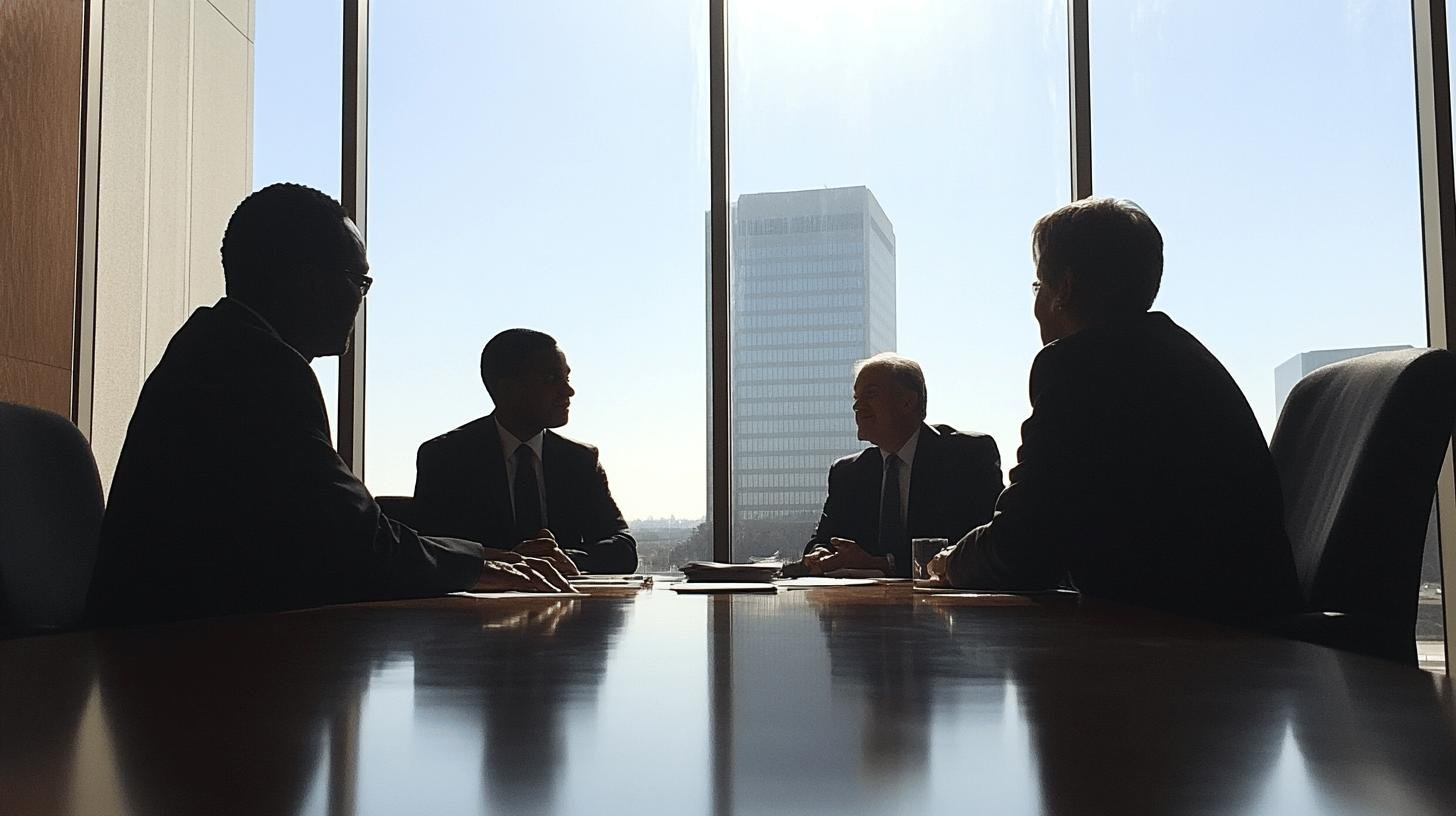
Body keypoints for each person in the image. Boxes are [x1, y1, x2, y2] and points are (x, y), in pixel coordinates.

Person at [86, 183, 572, 626]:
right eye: (357, 280)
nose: (360, 299)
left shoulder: (216, 346)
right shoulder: (260, 368)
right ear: (305, 279)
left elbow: (325, 527)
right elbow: (351, 544)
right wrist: (481, 566)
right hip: (174, 669)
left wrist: (485, 557)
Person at [927, 197, 1299, 625]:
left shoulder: (1079, 366)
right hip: (1243, 629)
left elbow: (1025, 543)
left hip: (1184, 647)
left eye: (1037, 287)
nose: (1036, 303)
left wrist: (950, 563)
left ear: (1063, 288)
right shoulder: (1180, 355)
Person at [414, 329, 638, 574]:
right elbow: (431, 552)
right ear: (508, 389)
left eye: (567, 378)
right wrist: (508, 562)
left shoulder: (579, 460)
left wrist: (566, 560)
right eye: (551, 379)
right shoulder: (446, 458)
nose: (568, 391)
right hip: (479, 608)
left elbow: (623, 549)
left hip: (568, 605)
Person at [798, 353, 1003, 578]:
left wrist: (884, 564)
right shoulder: (847, 472)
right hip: (862, 609)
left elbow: (983, 546)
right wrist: (820, 553)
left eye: (871, 395)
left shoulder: (966, 455)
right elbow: (823, 540)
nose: (857, 406)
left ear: (907, 401)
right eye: (856, 398)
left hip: (947, 607)